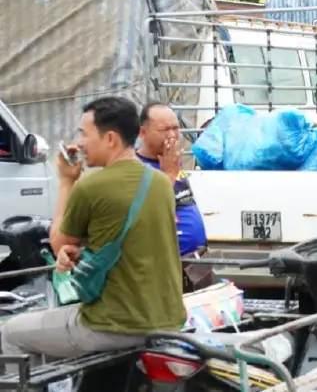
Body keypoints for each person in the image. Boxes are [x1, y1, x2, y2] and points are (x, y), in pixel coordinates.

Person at [0, 96, 186, 359]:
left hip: (114, 325)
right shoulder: (161, 182)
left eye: (84, 134)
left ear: (110, 139)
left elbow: (58, 243)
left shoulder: (91, 186)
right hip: (167, 319)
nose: (80, 144)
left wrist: (67, 182)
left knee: (10, 332)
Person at [137, 102, 213, 291]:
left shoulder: (172, 160)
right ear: (143, 133)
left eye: (175, 128)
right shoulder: (136, 168)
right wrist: (168, 175)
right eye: (164, 130)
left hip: (195, 262)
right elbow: (145, 212)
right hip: (166, 268)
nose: (172, 135)